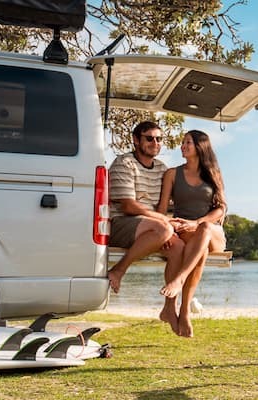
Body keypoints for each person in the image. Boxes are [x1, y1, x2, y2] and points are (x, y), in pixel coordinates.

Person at [106, 121, 186, 332]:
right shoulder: (124, 163)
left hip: (151, 226)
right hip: (120, 224)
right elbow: (128, 206)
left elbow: (166, 205)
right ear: (136, 140)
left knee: (179, 247)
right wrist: (164, 223)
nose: (155, 143)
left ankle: (169, 308)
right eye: (149, 138)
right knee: (163, 229)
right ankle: (119, 270)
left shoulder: (161, 168)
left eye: (159, 139)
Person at [155, 130, 228, 338]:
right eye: (183, 143)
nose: (183, 146)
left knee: (204, 230)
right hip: (183, 230)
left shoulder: (213, 173)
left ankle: (179, 284)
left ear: (200, 146)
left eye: (188, 142)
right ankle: (180, 310)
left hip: (211, 232)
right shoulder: (172, 174)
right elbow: (161, 210)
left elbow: (221, 209)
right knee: (199, 250)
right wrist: (166, 231)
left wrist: (197, 222)